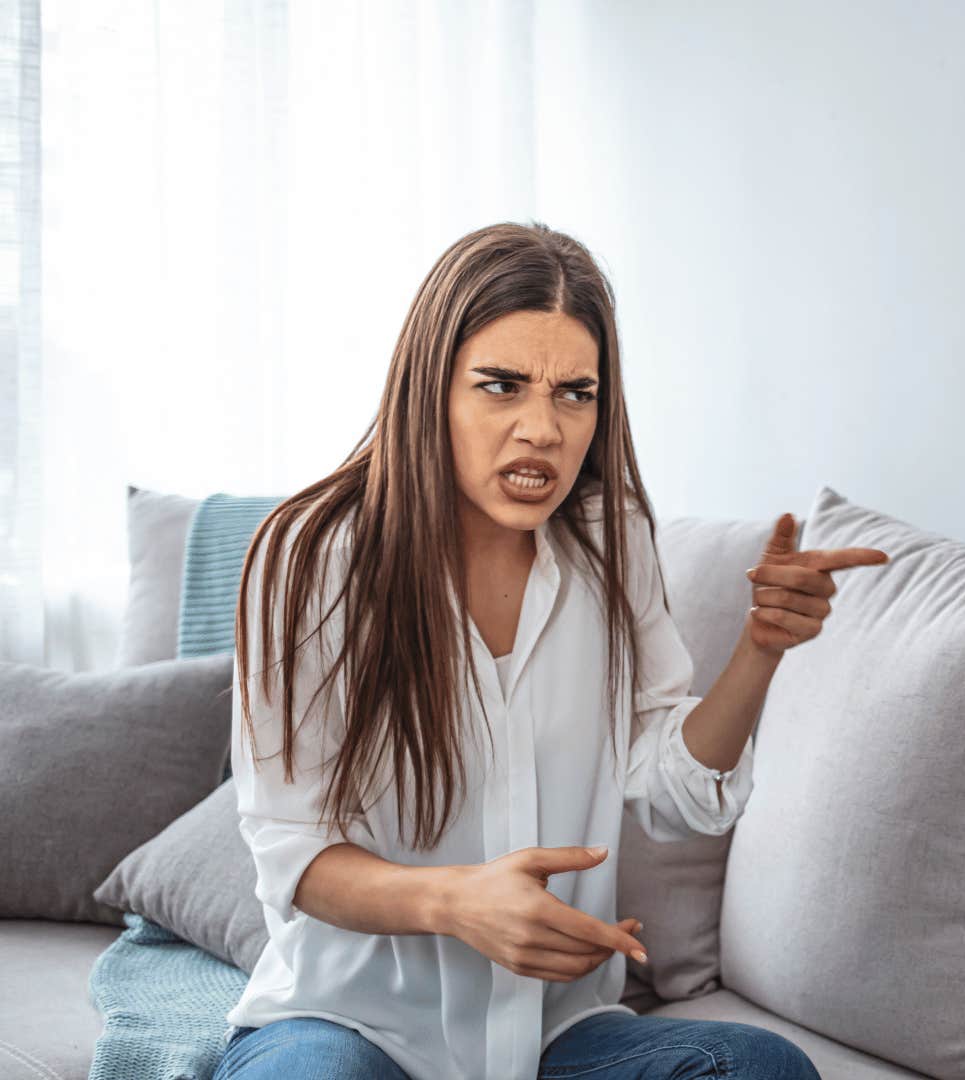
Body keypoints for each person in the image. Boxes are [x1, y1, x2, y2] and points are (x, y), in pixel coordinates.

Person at [217, 222, 885, 1079]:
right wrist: (457, 903)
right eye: (501, 386)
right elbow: (290, 848)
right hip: (346, 1027)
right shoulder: (307, 555)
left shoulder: (613, 541)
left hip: (553, 1040)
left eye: (576, 393)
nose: (543, 428)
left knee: (757, 1066)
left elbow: (674, 795)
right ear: (431, 390)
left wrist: (760, 649)